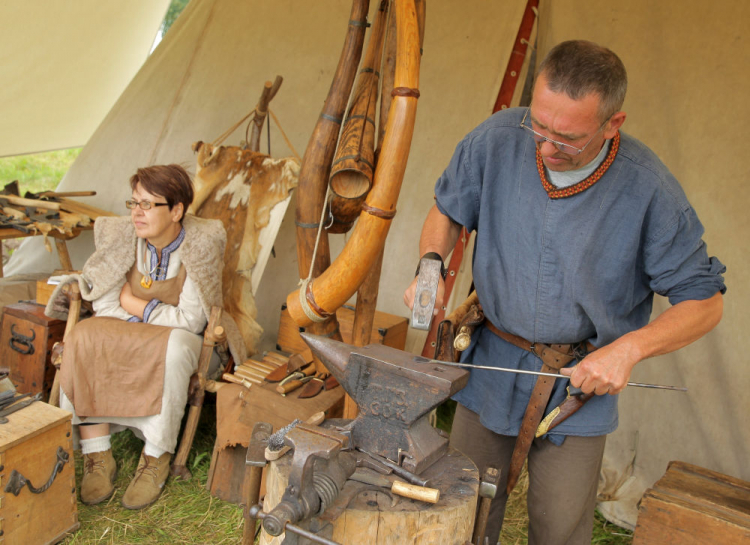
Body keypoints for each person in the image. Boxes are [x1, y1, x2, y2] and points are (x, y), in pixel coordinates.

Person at [403, 40, 725, 544]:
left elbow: (704, 302)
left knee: (559, 529)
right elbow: (449, 208)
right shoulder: (498, 138)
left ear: (612, 124)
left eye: (567, 138)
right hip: (492, 360)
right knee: (460, 512)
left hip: (579, 384)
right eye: (539, 124)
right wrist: (430, 265)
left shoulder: (650, 191)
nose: (545, 147)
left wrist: (628, 350)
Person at [54, 164, 242, 510]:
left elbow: (189, 320)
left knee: (173, 349)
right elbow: (105, 305)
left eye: (147, 204)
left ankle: (155, 458)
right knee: (84, 336)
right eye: (133, 203)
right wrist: (140, 314)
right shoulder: (121, 238)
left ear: (176, 211)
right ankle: (98, 456)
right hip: (134, 325)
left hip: (182, 337)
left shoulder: (200, 245)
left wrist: (134, 304)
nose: (136, 213)